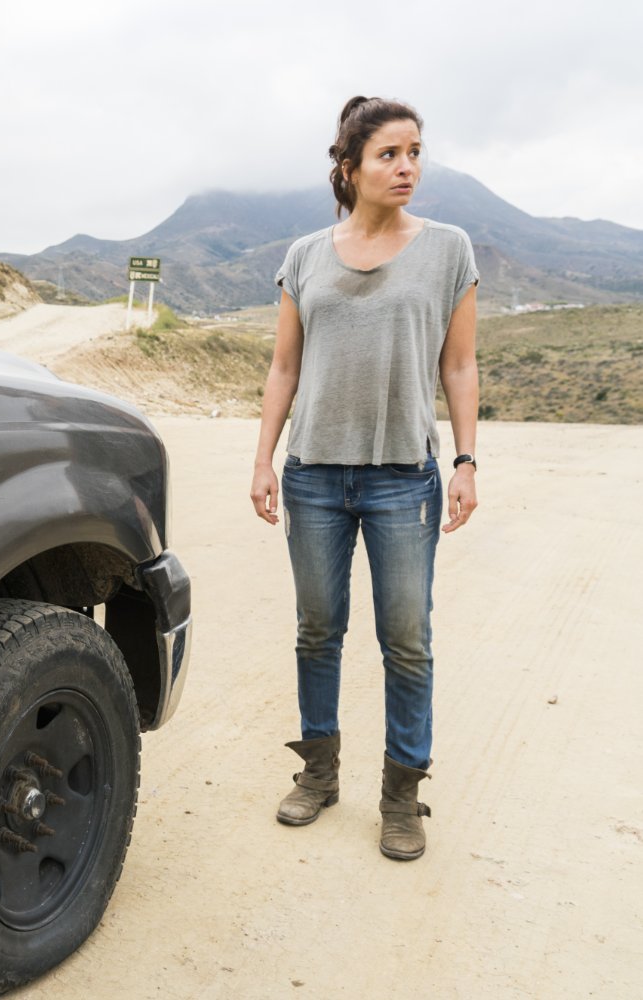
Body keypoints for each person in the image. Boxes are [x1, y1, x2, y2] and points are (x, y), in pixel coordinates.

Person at [248, 96, 479, 861]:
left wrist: (465, 461)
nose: (406, 166)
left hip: (400, 479)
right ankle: (317, 774)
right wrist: (262, 459)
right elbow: (284, 365)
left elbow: (458, 364)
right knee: (317, 633)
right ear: (349, 169)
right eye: (388, 154)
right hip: (313, 475)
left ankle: (400, 794)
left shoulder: (448, 249)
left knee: (406, 640)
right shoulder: (305, 253)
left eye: (414, 151)